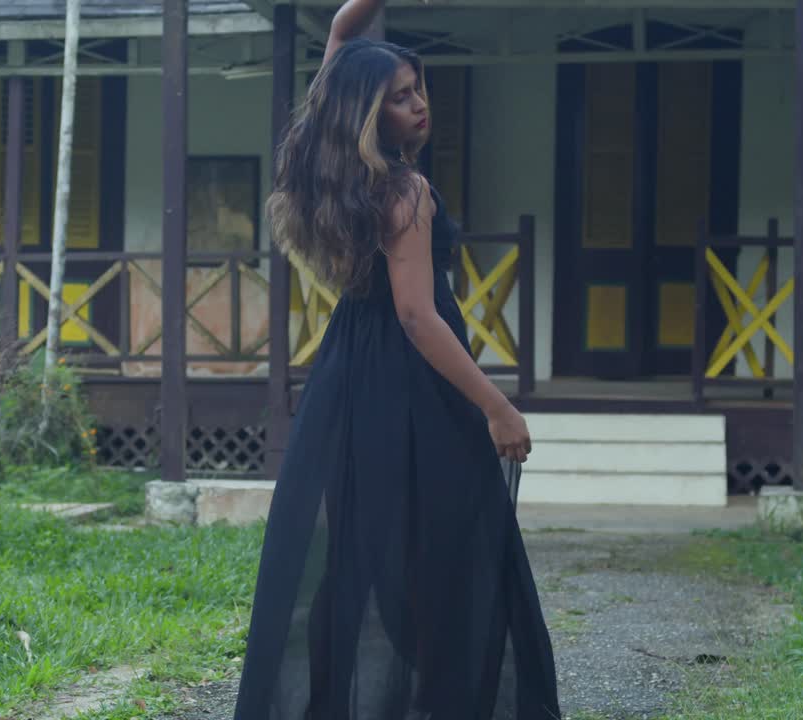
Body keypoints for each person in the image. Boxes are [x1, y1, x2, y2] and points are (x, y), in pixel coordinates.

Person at [232, 0, 562, 716]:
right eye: (400, 98)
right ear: (366, 115)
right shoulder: (403, 192)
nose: (420, 106)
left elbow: (345, 39)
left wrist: (363, 11)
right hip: (412, 382)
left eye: (419, 89)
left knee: (355, 551)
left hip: (348, 373)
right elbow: (417, 316)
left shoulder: (333, 172)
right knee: (446, 546)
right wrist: (497, 407)